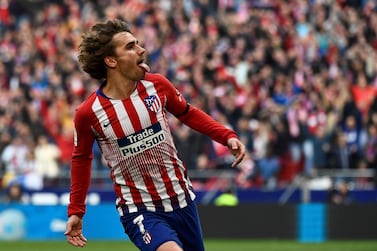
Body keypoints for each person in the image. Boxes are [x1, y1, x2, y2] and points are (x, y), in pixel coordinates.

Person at [64, 19, 246, 251]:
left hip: (182, 199)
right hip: (140, 208)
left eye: (137, 44)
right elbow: (81, 159)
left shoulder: (157, 85)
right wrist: (76, 211)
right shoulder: (88, 113)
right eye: (130, 47)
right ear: (111, 61)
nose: (141, 50)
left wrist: (226, 136)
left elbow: (188, 113)